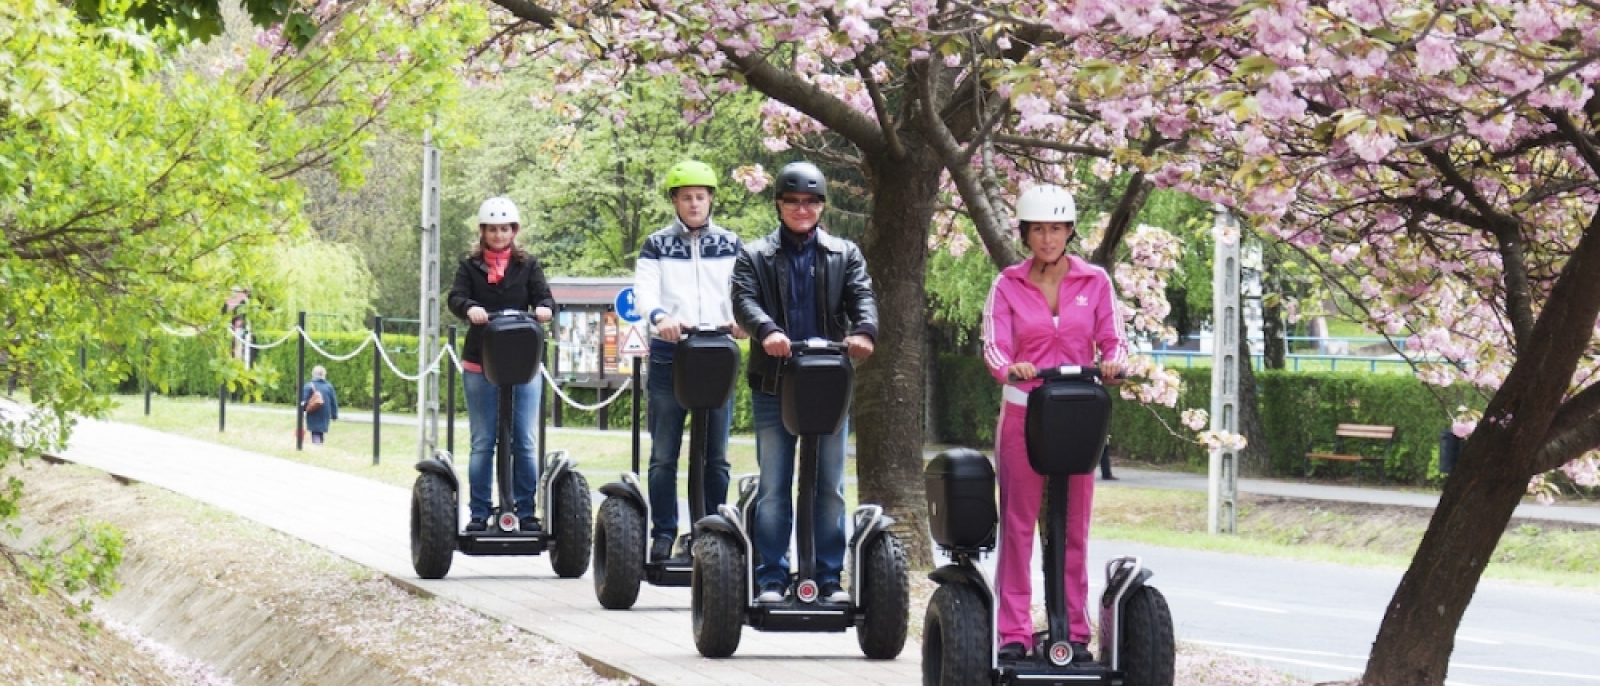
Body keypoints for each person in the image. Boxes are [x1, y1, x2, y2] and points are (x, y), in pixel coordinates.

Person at [980, 184, 1126, 662]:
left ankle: (1075, 631)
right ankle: (1015, 632)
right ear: (1025, 233)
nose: (1048, 238)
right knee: (1019, 524)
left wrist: (1113, 362)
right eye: (1039, 229)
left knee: (1074, 527)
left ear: (1070, 231)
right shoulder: (1008, 284)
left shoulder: (1095, 281)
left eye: (1057, 229)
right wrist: (1009, 368)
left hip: (1078, 415)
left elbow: (1114, 339)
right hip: (1025, 413)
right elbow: (994, 345)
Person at [731, 161, 877, 604]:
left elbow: (863, 295)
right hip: (775, 383)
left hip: (827, 384)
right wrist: (767, 331)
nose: (802, 208)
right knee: (774, 485)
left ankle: (828, 578)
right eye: (793, 201)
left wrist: (864, 331)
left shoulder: (844, 253)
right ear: (778, 204)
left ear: (821, 206)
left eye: (810, 201)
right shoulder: (754, 255)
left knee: (829, 485)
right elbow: (743, 300)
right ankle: (771, 577)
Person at [633, 160, 747, 561]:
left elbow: (743, 290)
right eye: (686, 197)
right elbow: (644, 290)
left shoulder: (731, 243)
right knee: (665, 452)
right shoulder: (656, 244)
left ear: (711, 199)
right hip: (671, 353)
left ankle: (710, 531)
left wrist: (742, 320)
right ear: (675, 202)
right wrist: (660, 317)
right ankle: (663, 533)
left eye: (701, 196)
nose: (694, 204)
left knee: (715, 454)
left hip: (717, 351)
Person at [447, 196, 556, 533]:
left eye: (504, 229)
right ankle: (479, 512)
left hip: (522, 362)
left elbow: (546, 298)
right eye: (492, 229)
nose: (498, 235)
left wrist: (544, 310)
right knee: (483, 440)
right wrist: (469, 308)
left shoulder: (528, 265)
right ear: (483, 232)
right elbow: (455, 297)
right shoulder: (470, 266)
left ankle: (525, 511)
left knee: (523, 439)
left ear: (514, 231)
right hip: (482, 361)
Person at [300, 365, 338, 444]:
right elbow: (334, 402)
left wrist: (301, 411)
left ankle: (317, 446)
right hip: (325, 412)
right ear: (324, 375)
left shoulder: (308, 386)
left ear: (313, 374)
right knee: (320, 432)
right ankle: (320, 444)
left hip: (313, 412)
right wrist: (334, 415)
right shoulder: (328, 386)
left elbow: (303, 400)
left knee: (315, 432)